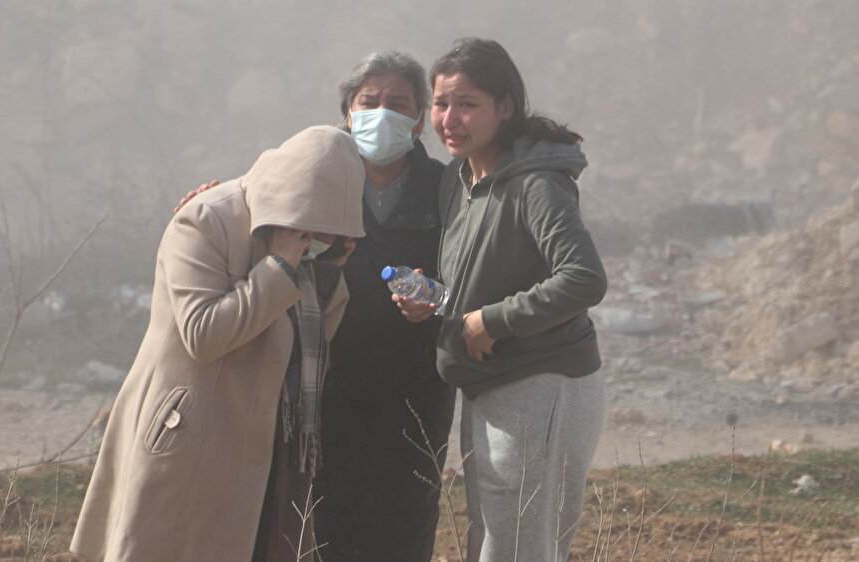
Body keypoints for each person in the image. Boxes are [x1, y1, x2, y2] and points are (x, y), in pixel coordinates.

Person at [70, 125, 366, 562]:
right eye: (314, 230)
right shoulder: (207, 220)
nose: (317, 240)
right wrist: (279, 265)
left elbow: (311, 344)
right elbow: (203, 334)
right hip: (190, 437)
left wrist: (324, 269)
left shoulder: (306, 248)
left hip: (267, 443)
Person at [395, 38, 608, 562]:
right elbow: (477, 287)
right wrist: (434, 301)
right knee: (494, 543)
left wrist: (493, 320)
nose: (450, 118)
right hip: (489, 384)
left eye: (467, 104)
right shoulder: (458, 179)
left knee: (519, 550)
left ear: (505, 106)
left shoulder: (536, 183)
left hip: (541, 384)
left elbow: (584, 278)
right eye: (442, 104)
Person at [311, 51, 455, 562]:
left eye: (399, 104)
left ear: (420, 120)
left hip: (415, 390)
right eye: (369, 101)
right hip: (328, 388)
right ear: (348, 112)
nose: (382, 113)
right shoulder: (318, 181)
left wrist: (436, 297)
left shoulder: (446, 189)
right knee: (323, 524)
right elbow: (253, 219)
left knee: (404, 524)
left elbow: (471, 281)